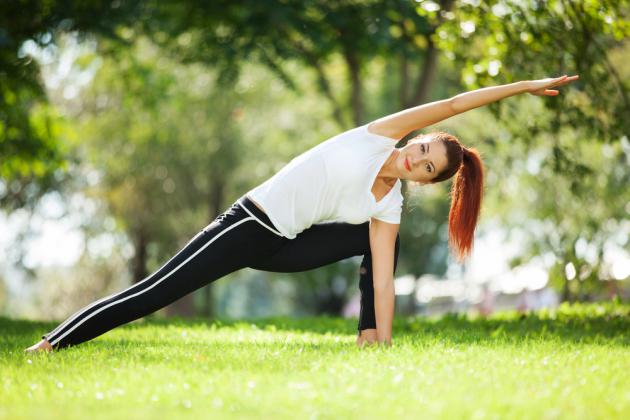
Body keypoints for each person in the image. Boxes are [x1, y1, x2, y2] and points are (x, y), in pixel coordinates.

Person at [25, 75, 579, 353]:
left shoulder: (388, 206)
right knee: (156, 291)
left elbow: (382, 280)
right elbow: (457, 104)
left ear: (427, 181)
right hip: (249, 222)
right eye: (423, 149)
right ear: (419, 138)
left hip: (284, 246)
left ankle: (368, 342)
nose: (415, 159)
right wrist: (523, 87)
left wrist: (383, 341)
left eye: (425, 167)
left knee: (379, 242)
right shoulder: (378, 134)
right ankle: (52, 344)